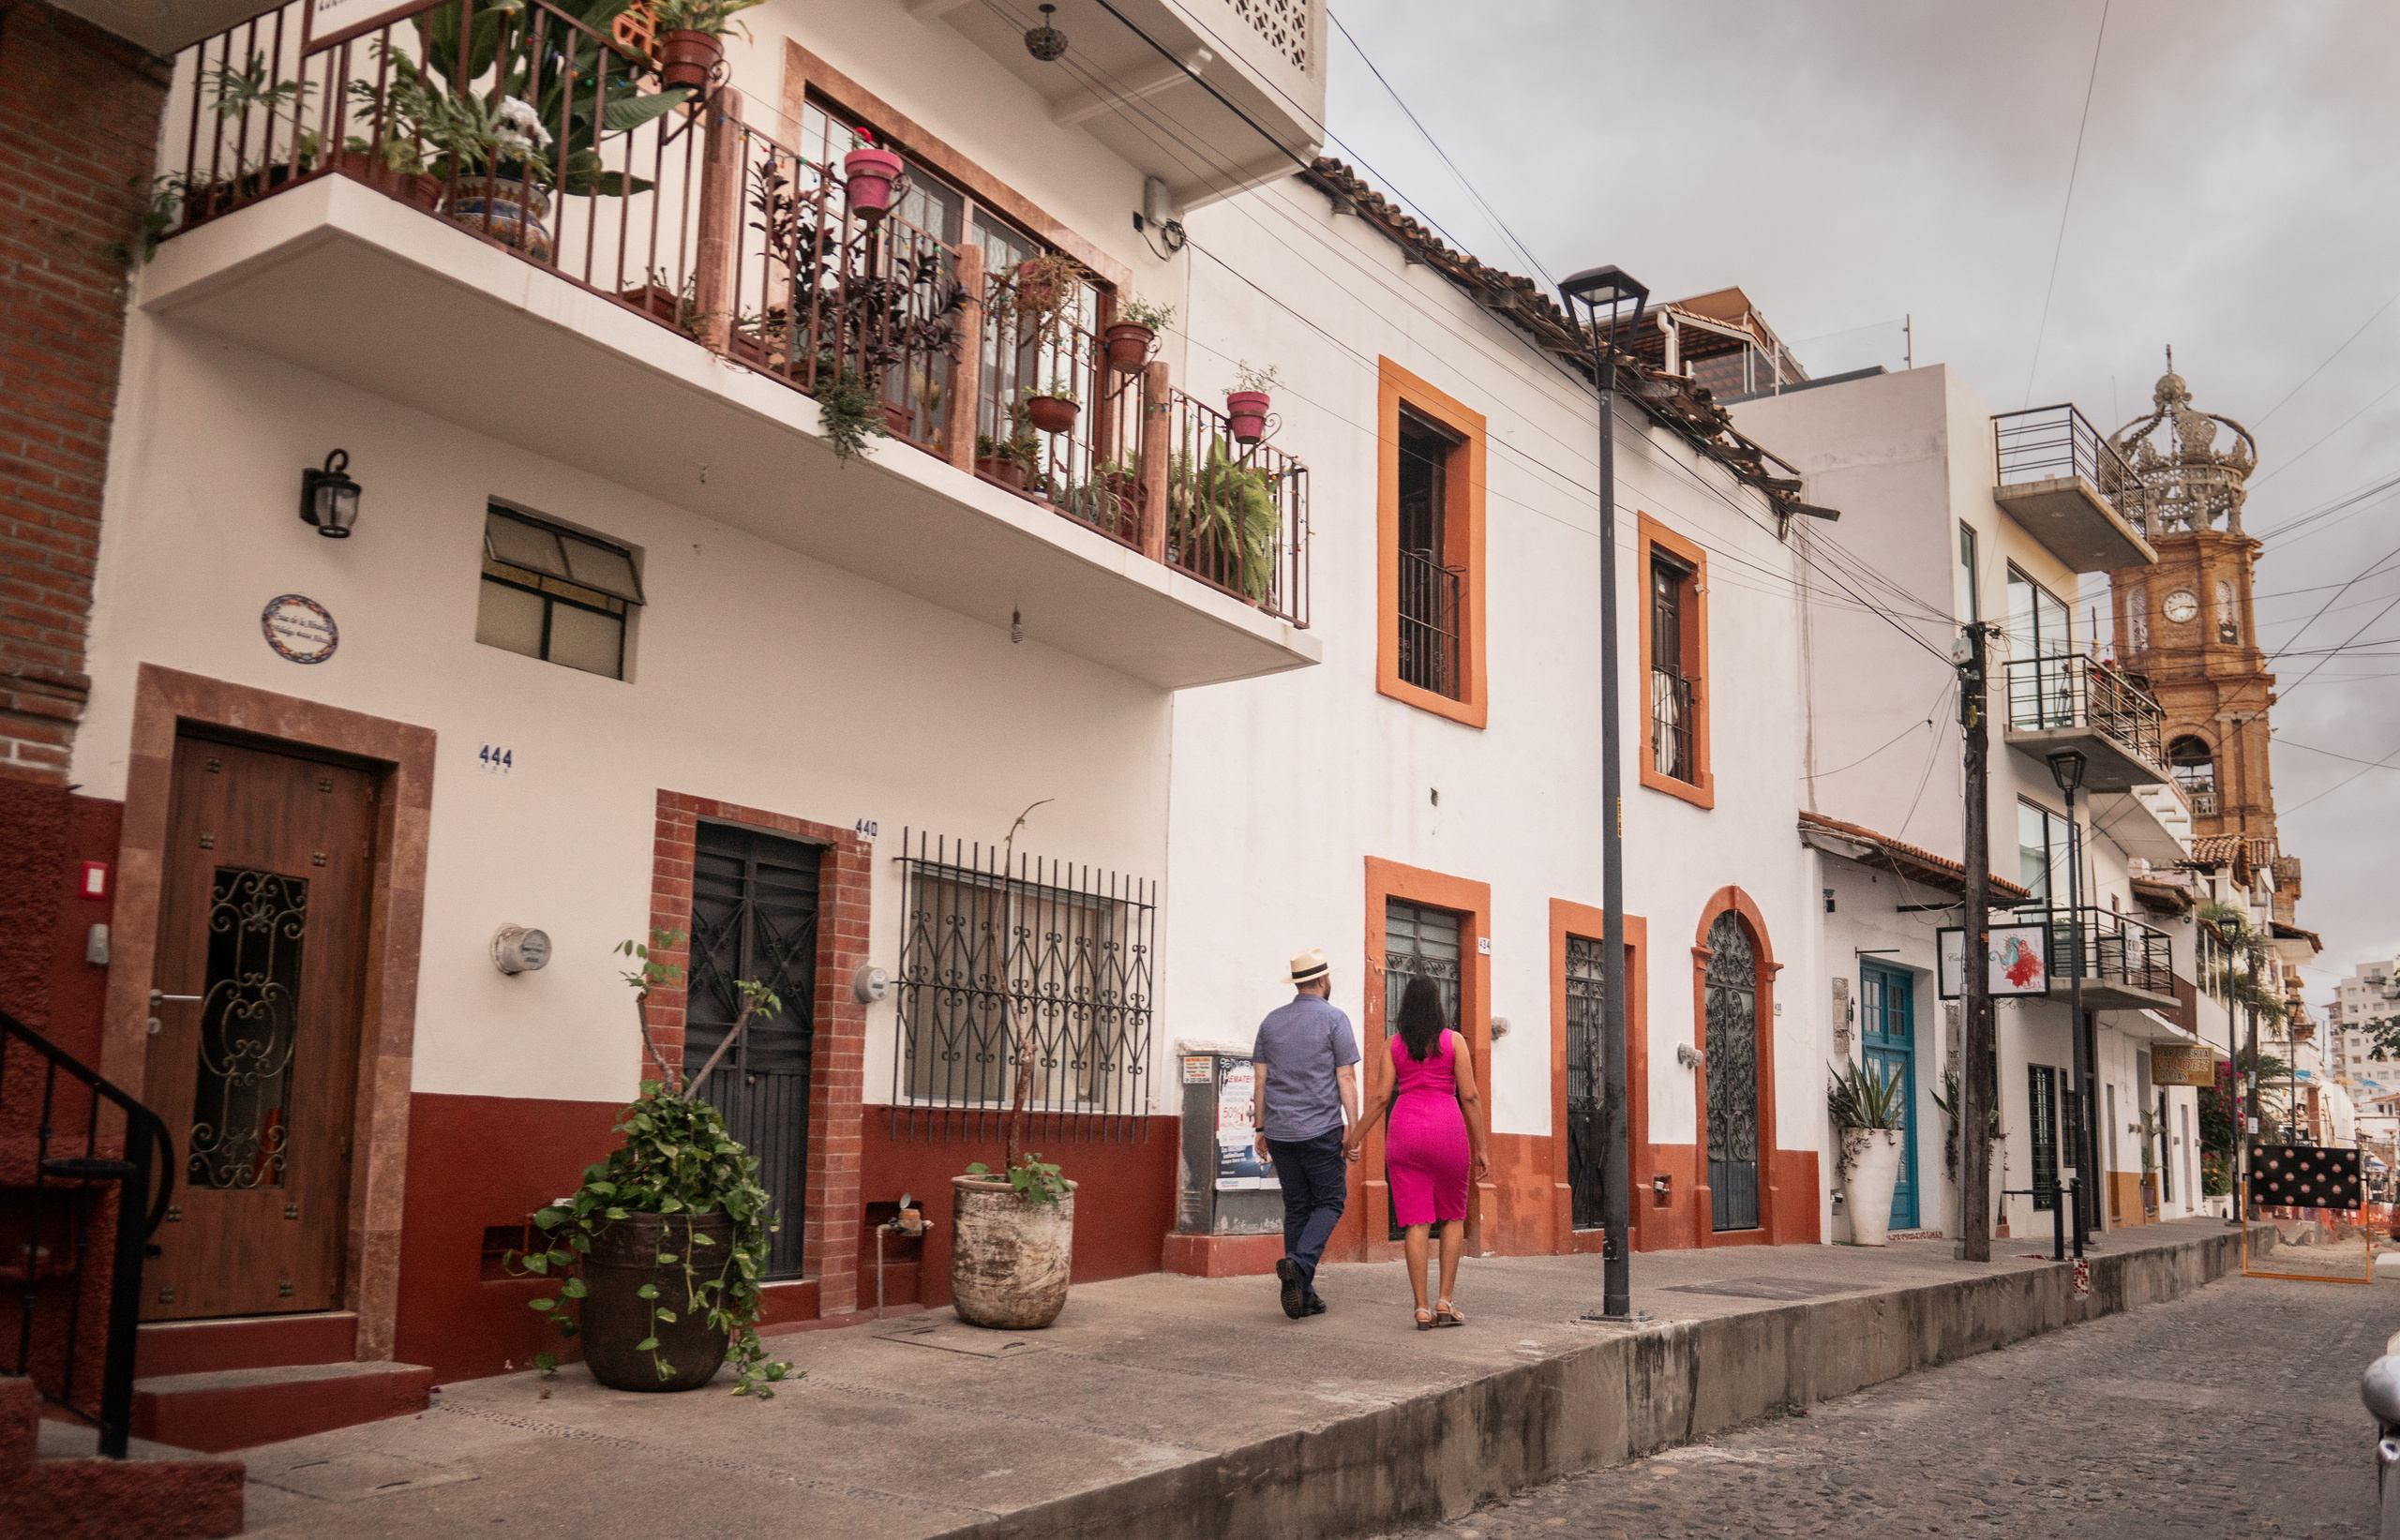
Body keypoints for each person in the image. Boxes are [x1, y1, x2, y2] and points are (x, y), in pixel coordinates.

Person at [1345, 976, 1488, 1328]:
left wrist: (1353, 1138)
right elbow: (1470, 1096)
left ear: (1404, 1008)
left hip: (1405, 1133)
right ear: (1438, 1006)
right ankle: (1445, 1301)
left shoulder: (1392, 1045)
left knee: (1415, 1221)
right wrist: (1482, 1148)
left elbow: (1381, 1097)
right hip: (1448, 1132)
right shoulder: (1454, 1041)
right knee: (1452, 1217)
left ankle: (1421, 1308)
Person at [1252, 948, 1361, 1320]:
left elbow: (1261, 1079)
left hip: (1280, 1131)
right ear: (1323, 980)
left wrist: (1261, 1128)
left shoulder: (1271, 1021)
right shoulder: (1335, 1019)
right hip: (1320, 1129)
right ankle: (1299, 1264)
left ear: (1297, 983)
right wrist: (1355, 1130)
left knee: (1297, 1207)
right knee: (1331, 1202)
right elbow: (1346, 1077)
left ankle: (1305, 1293)